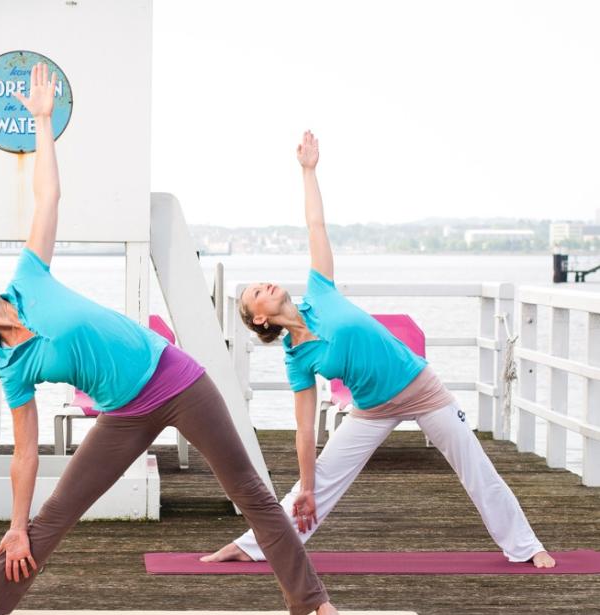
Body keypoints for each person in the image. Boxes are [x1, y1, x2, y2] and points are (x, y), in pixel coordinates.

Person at [0, 64, 349, 615]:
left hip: (179, 381)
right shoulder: (12, 366)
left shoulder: (29, 276)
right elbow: (24, 453)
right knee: (54, 514)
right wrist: (14, 526)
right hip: (124, 414)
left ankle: (313, 601)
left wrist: (43, 120)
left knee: (253, 494)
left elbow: (48, 197)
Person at [202, 131, 555, 569]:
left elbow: (316, 226)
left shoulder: (320, 291)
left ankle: (526, 546)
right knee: (318, 482)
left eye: (265, 281)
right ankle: (253, 546)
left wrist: (309, 172)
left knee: (475, 465)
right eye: (258, 291)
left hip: (421, 388)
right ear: (260, 318)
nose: (267, 284)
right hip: (372, 409)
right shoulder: (297, 359)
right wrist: (308, 485)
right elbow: (305, 431)